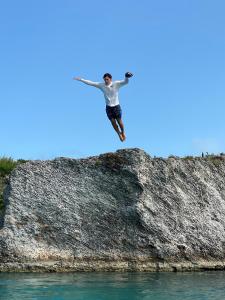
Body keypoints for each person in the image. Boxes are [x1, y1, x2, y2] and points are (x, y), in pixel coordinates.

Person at [73, 72, 133, 142]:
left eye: (107, 79)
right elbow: (91, 83)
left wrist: (126, 77)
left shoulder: (116, 84)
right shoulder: (101, 85)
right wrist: (81, 79)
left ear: (110, 79)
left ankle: (123, 132)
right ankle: (119, 134)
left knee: (119, 121)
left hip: (116, 106)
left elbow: (125, 82)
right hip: (108, 107)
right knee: (113, 122)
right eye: (104, 80)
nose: (106, 81)